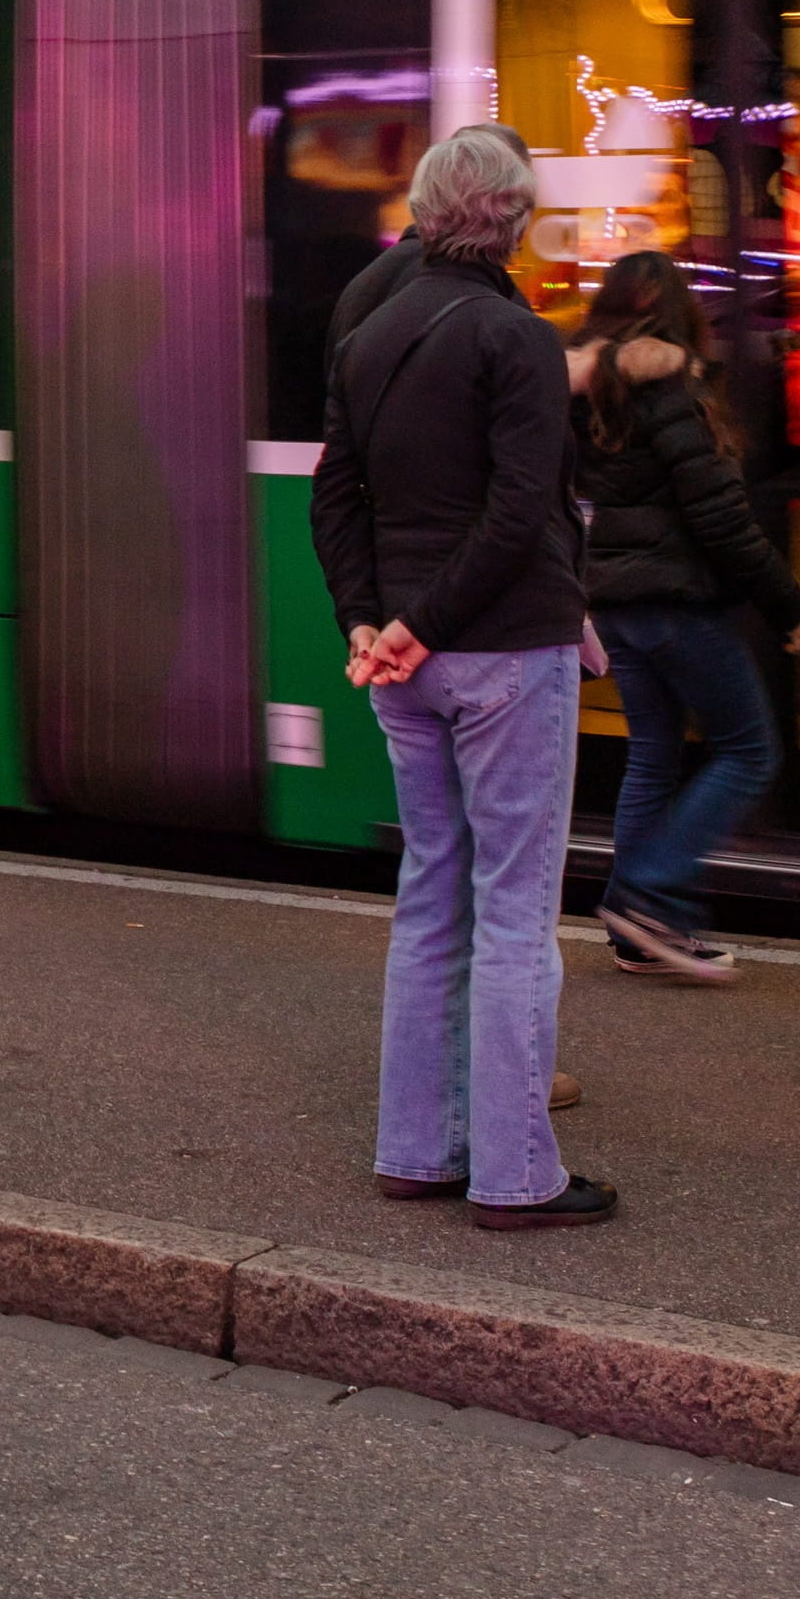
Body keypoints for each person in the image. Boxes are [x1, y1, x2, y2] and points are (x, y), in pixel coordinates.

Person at [310, 124, 607, 1228]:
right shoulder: (514, 334)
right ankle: (516, 1172)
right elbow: (523, 505)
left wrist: (368, 624)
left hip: (403, 664)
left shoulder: (368, 328)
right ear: (515, 218)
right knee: (515, 910)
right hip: (501, 652)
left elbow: (334, 496)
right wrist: (423, 624)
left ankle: (415, 1148)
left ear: (427, 211)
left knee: (429, 895)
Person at [567, 250, 800, 983]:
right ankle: (649, 897)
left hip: (614, 600)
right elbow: (720, 517)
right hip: (677, 603)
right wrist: (787, 606)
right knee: (748, 751)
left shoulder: (581, 389)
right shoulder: (671, 388)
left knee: (653, 750)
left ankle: (633, 924)